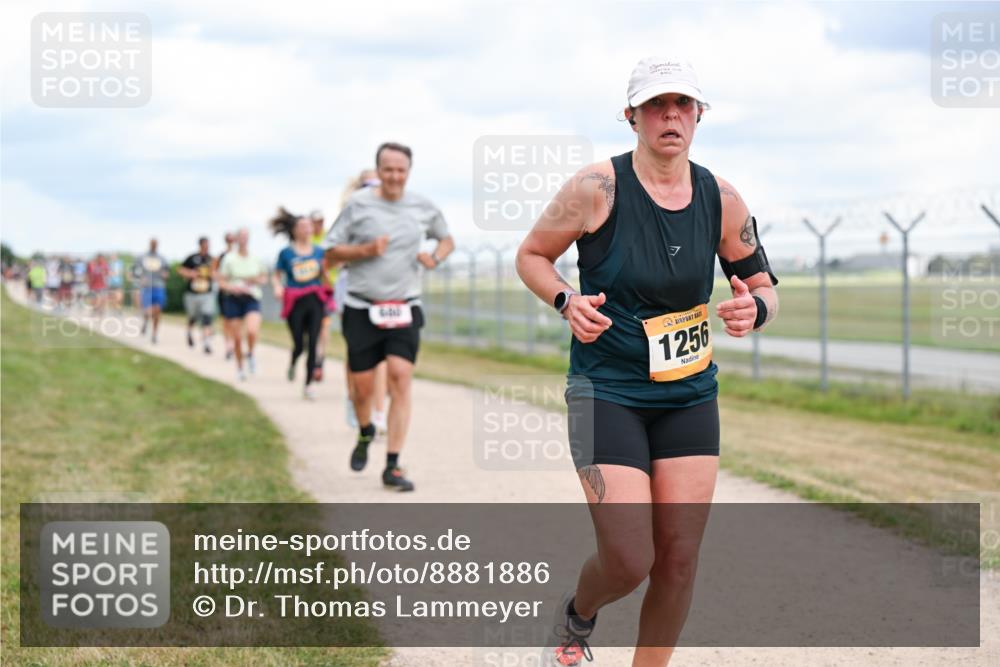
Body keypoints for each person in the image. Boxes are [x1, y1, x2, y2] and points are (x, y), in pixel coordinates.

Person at [515, 57, 779, 667]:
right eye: (656, 105)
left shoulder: (722, 196)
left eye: (683, 105)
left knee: (679, 558)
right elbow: (531, 254)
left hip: (688, 393)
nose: (670, 116)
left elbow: (762, 283)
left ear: (698, 116)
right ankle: (579, 612)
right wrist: (565, 299)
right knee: (632, 559)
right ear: (631, 116)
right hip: (605, 389)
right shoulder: (595, 188)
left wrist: (755, 311)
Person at [326, 143, 455, 491]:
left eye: (401, 170)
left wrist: (435, 257)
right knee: (363, 389)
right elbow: (331, 252)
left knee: (400, 376)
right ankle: (366, 430)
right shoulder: (358, 205)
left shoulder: (423, 206)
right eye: (388, 170)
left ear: (408, 172)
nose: (395, 176)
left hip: (405, 304)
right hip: (362, 305)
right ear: (378, 170)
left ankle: (393, 465)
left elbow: (446, 240)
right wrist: (365, 250)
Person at [337, 170, 390, 433]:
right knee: (356, 350)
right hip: (351, 285)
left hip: (382, 287)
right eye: (370, 184)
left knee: (380, 356)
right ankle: (353, 398)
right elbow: (334, 255)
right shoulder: (349, 216)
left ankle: (379, 412)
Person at [272, 208, 330, 400]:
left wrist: (329, 281)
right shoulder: (286, 253)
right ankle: (293, 360)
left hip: (315, 298)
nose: (307, 229)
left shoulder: (320, 252)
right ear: (294, 230)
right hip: (294, 300)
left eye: (309, 226)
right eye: (302, 226)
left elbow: (325, 274)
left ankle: (308, 384)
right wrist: (278, 287)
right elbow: (277, 274)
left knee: (314, 341)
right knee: (299, 343)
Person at [218, 228, 267, 381]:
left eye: (246, 236)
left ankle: (251, 354)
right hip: (233, 298)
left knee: (252, 330)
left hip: (251, 297)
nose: (244, 239)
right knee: (237, 338)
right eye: (241, 236)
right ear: (236, 239)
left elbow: (264, 277)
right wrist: (232, 287)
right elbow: (221, 281)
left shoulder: (255, 258)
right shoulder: (229, 259)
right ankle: (239, 368)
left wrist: (254, 280)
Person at [179, 237, 216, 354]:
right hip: (193, 293)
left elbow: (217, 273)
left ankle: (206, 343)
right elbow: (181, 269)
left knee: (207, 317)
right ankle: (189, 332)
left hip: (207, 293)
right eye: (205, 245)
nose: (206, 247)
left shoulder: (211, 260)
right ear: (200, 245)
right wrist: (191, 274)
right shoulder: (192, 258)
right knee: (193, 317)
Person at [135, 239, 170, 344]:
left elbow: (167, 272)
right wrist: (140, 278)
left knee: (157, 311)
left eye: (156, 244)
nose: (154, 246)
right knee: (148, 310)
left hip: (159, 287)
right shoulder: (142, 257)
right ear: (150, 244)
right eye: (152, 244)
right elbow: (135, 271)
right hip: (146, 287)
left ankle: (154, 334)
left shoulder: (162, 258)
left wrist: (165, 275)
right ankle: (146, 321)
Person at [214, 232, 237, 360]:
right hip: (225, 292)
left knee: (238, 321)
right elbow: (214, 273)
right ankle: (228, 345)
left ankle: (235, 343)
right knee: (226, 320)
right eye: (229, 240)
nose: (231, 242)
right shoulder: (221, 256)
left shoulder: (240, 255)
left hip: (239, 292)